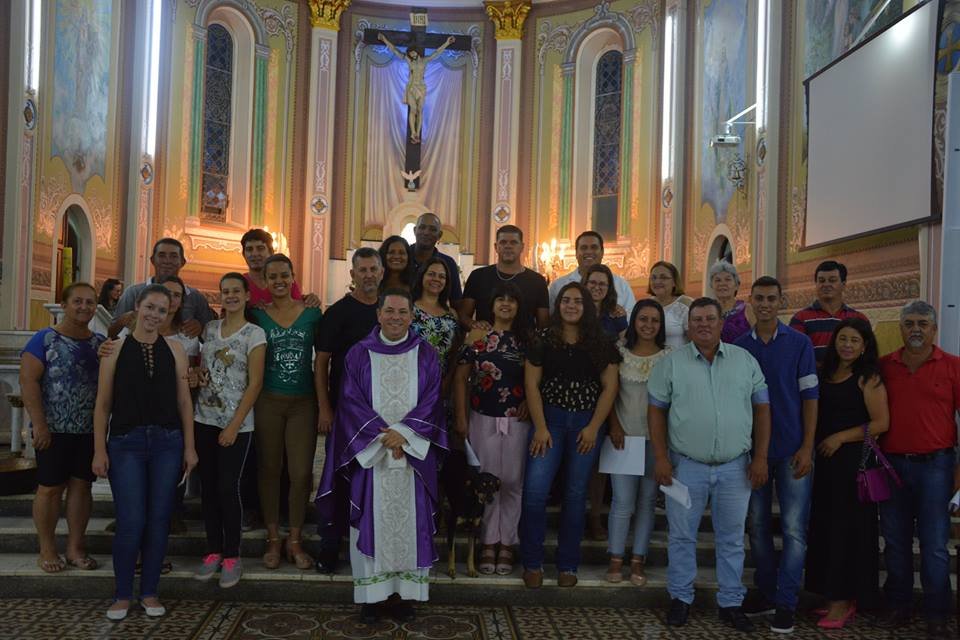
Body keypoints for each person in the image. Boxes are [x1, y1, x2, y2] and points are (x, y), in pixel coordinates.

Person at [316, 288, 446, 623]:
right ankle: (372, 598)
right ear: (378, 314)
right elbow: (350, 401)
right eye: (390, 311)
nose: (395, 318)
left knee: (410, 523)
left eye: (402, 312)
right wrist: (385, 437)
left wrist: (405, 433)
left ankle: (403, 596)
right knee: (370, 520)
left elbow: (433, 399)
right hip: (372, 455)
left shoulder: (426, 354)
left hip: (411, 456)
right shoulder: (358, 354)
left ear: (412, 316)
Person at [648, 297, 770, 632]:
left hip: (735, 467)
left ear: (721, 323)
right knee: (681, 536)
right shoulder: (671, 364)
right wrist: (661, 458)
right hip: (685, 467)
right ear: (689, 326)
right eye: (697, 319)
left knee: (731, 538)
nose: (704, 324)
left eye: (710, 318)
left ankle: (730, 602)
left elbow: (762, 410)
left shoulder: (744, 361)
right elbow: (655, 412)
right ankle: (680, 598)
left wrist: (760, 457)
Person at [92, 285, 198, 621]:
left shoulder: (176, 349)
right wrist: (99, 450)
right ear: (137, 307)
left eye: (162, 310)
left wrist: (190, 447)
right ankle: (122, 594)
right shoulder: (114, 349)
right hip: (126, 443)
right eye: (150, 307)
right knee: (131, 520)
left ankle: (150, 592)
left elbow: (184, 402)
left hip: (168, 443)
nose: (155, 315)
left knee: (158, 519)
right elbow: (103, 404)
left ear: (168, 314)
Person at [520, 282, 620, 589]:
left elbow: (610, 387)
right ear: (558, 305)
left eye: (578, 301)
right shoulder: (542, 339)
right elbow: (531, 384)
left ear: (586, 306)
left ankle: (567, 565)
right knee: (535, 493)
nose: (571, 305)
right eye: (566, 300)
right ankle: (532, 563)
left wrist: (593, 427)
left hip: (585, 426)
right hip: (549, 422)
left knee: (576, 496)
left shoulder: (600, 342)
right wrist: (540, 427)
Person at [734, 277, 818, 633]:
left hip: (792, 449)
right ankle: (767, 592)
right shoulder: (739, 347)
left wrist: (807, 446)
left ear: (781, 301)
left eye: (771, 298)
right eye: (759, 298)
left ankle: (786, 601)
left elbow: (810, 398)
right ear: (750, 301)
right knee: (756, 526)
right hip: (753, 452)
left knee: (794, 529)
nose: (765, 304)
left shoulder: (799, 343)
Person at [877, 301, 960, 638]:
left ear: (934, 329)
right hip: (892, 466)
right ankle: (898, 605)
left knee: (935, 544)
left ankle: (937, 613)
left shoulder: (953, 366)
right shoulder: (885, 366)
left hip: (936, 467)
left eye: (922, 324)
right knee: (894, 541)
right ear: (900, 328)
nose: (915, 329)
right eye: (909, 323)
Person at [804, 318, 888, 628]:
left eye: (854, 340)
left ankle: (844, 601)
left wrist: (840, 437)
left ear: (864, 346)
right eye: (843, 339)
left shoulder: (868, 378)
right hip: (826, 465)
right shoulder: (825, 373)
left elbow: (881, 423)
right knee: (826, 528)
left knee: (847, 532)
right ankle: (831, 595)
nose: (848, 345)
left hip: (853, 465)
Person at [20, 282, 106, 574]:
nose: (84, 307)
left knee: (82, 487)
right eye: (77, 301)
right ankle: (47, 549)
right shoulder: (44, 339)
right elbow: (28, 381)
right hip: (53, 429)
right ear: (64, 304)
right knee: (50, 488)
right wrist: (39, 424)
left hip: (88, 430)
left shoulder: (99, 343)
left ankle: (75, 547)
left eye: (90, 302)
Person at [192, 273, 266, 589]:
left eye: (237, 291)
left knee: (227, 487)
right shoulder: (210, 329)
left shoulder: (255, 334)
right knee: (208, 488)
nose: (231, 296)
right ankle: (213, 550)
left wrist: (234, 425)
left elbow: (255, 383)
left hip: (237, 423)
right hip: (204, 418)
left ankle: (233, 555)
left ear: (247, 295)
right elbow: (203, 369)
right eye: (225, 291)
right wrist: (196, 376)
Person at [250, 254, 323, 571]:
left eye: (284, 275)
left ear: (293, 277)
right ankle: (272, 538)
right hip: (268, 400)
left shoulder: (312, 313)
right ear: (265, 281)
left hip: (303, 403)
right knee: (269, 469)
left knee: (301, 473)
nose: (279, 281)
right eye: (273, 276)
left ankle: (295, 538)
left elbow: (324, 357)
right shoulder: (257, 315)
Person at [453, 282, 530, 575]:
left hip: (516, 420)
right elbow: (460, 378)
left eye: (512, 300)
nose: (506, 304)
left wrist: (530, 402)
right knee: (485, 481)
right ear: (492, 305)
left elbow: (537, 378)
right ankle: (487, 541)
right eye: (500, 299)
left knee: (512, 481)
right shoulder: (477, 336)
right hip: (481, 416)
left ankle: (507, 542)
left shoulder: (527, 340)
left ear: (518, 307)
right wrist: (461, 418)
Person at [315, 248, 384, 573]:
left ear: (381, 273)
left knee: (375, 480)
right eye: (363, 270)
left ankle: (370, 546)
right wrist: (324, 408)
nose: (368, 275)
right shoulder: (338, 313)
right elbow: (321, 363)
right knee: (339, 477)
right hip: (344, 414)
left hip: (381, 415)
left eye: (373, 269)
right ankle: (330, 545)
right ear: (353, 274)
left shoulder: (389, 311)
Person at [605, 299, 669, 587]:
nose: (648, 325)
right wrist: (614, 425)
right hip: (623, 439)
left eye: (654, 320)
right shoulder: (619, 352)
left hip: (656, 441)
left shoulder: (669, 357)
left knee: (647, 502)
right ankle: (616, 558)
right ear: (634, 322)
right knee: (622, 502)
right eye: (643, 319)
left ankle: (638, 560)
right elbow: (609, 392)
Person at [109, 238, 215, 338]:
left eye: (173, 256)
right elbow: (110, 333)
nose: (167, 261)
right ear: (152, 260)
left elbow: (211, 333)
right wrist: (122, 321)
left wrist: (200, 327)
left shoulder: (195, 297)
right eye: (162, 255)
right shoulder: (133, 293)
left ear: (182, 262)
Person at [461, 225, 550, 331]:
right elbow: (463, 316)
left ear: (522, 247)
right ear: (496, 246)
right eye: (503, 242)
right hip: (485, 339)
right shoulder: (477, 276)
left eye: (513, 242)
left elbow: (543, 324)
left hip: (524, 340)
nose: (508, 246)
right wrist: (475, 325)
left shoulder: (537, 281)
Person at [377, 34, 456, 144]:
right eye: (410, 53)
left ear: (416, 51)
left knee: (420, 110)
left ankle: (418, 133)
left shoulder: (425, 60)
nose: (411, 55)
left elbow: (437, 53)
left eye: (412, 52)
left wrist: (447, 43)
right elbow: (395, 50)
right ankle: (413, 133)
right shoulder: (410, 61)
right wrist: (384, 39)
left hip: (421, 88)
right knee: (413, 109)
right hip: (411, 87)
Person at [789, 260, 868, 364]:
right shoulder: (800, 318)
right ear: (816, 284)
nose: (826, 284)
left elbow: (868, 354)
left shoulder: (859, 318)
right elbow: (794, 355)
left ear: (843, 285)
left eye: (832, 280)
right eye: (821, 281)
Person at [547, 230, 636, 312]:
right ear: (576, 253)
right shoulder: (558, 286)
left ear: (602, 252)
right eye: (584, 248)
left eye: (594, 247)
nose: (589, 252)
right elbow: (552, 317)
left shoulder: (621, 285)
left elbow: (630, 317)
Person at [240, 228, 320, 308]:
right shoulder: (240, 283)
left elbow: (297, 306)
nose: (254, 254)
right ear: (244, 254)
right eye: (249, 249)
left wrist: (308, 299)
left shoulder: (287, 282)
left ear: (271, 252)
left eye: (260, 248)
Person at [411, 257, 462, 382]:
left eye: (441, 276)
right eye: (431, 274)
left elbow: (455, 353)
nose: (436, 279)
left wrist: (448, 381)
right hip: (410, 379)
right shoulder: (408, 309)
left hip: (440, 383)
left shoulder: (452, 315)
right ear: (422, 276)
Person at [409, 213, 463, 303]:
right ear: (415, 230)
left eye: (432, 229)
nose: (426, 232)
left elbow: (456, 301)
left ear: (439, 235)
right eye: (422, 227)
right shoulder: (402, 258)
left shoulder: (448, 263)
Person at [647, 261, 691, 348]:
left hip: (678, 355)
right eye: (653, 278)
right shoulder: (645, 305)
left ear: (674, 282)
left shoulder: (686, 304)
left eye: (663, 277)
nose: (657, 281)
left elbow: (696, 341)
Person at [709, 261, 754, 343]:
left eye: (728, 279)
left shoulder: (747, 310)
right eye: (718, 280)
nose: (722, 284)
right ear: (711, 286)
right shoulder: (707, 311)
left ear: (736, 285)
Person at [584, 264, 627, 339]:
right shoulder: (575, 311)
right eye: (592, 282)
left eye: (602, 284)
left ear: (609, 288)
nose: (597, 287)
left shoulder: (617, 314)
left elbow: (625, 342)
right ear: (585, 284)